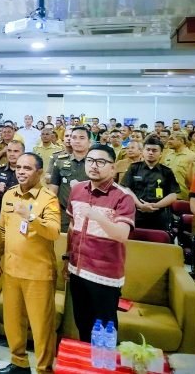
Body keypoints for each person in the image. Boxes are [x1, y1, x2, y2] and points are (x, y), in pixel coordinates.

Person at [0, 153, 61, 374]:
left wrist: (30, 216)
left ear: (39, 172)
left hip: (38, 274)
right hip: (11, 271)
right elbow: (2, 229)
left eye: (27, 168)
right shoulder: (9, 194)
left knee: (41, 327)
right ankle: (19, 363)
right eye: (19, 167)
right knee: (13, 322)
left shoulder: (48, 198)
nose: (21, 172)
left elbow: (54, 232)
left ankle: (44, 369)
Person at [65, 144, 135, 343]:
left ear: (112, 167)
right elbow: (72, 226)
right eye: (90, 160)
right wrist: (67, 258)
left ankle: (103, 361)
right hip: (77, 270)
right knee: (83, 325)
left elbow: (122, 235)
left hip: (104, 276)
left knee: (104, 331)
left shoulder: (123, 196)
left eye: (101, 162)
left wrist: (98, 217)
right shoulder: (77, 190)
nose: (94, 165)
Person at [120, 136, 179, 232]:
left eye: (154, 150)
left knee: (159, 239)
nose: (150, 153)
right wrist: (140, 205)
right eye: (148, 150)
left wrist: (155, 206)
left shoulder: (167, 172)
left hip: (159, 216)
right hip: (136, 213)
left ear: (161, 153)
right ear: (143, 151)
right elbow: (127, 189)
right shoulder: (134, 168)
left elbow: (173, 195)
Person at [49, 127, 91, 232]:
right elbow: (53, 191)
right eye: (74, 137)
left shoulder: (94, 163)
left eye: (82, 138)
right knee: (62, 240)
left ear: (89, 142)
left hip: (89, 214)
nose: (77, 141)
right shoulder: (60, 162)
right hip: (64, 214)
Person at [162, 131, 195, 200]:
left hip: (184, 198)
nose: (168, 141)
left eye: (171, 139)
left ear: (181, 141)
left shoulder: (192, 156)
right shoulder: (169, 155)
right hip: (167, 196)